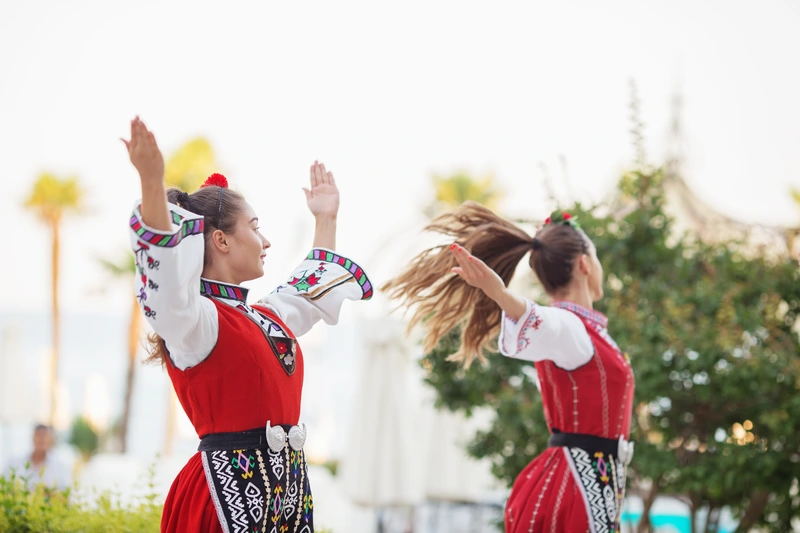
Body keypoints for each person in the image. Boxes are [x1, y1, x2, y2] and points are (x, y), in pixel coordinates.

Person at [123, 116, 372, 533]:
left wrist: (325, 219)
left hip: (285, 499)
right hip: (224, 501)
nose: (267, 241)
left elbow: (310, 288)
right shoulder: (198, 322)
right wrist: (152, 181)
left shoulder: (266, 315)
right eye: (255, 228)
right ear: (220, 240)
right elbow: (165, 285)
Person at [382, 203, 634, 533]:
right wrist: (499, 293)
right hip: (575, 490)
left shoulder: (585, 332)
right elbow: (546, 321)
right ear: (585, 264)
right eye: (598, 258)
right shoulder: (572, 328)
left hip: (584, 481)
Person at [2, 424, 71, 491]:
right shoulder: (14, 463)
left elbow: (66, 493)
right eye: (38, 436)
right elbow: (4, 487)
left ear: (51, 440)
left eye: (45, 436)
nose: (41, 439)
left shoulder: (60, 467)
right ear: (33, 438)